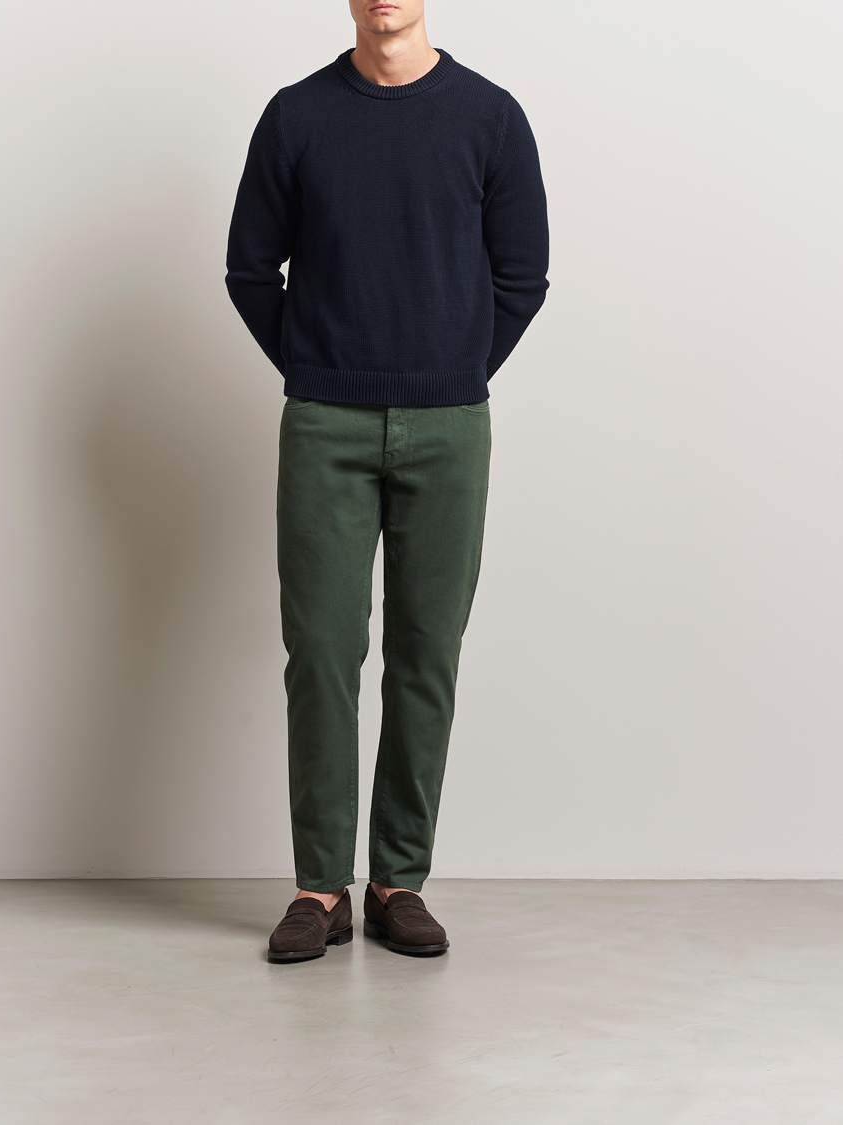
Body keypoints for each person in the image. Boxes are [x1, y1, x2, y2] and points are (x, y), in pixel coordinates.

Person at [225, 0, 549, 963]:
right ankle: (320, 886)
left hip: (450, 426)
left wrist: (457, 370)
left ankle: (398, 878)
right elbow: (250, 268)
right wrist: (316, 367)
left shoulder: (491, 118)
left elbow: (523, 276)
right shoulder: (297, 116)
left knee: (425, 653)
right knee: (321, 652)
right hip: (323, 422)